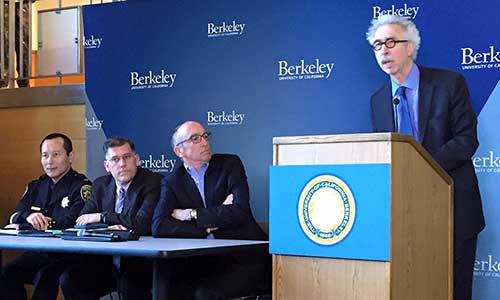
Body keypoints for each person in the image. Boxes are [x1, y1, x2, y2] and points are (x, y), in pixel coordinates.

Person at [367, 15, 485, 300]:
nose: (383, 50)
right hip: (405, 216)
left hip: (453, 208)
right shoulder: (378, 99)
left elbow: (466, 140)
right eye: (377, 44)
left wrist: (420, 166)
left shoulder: (449, 83)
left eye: (391, 42)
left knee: (454, 291)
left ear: (411, 47)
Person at [152, 120, 271, 300]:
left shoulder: (230, 164)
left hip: (243, 259)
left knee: (204, 295)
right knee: (165, 285)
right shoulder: (173, 181)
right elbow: (159, 226)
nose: (204, 142)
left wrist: (192, 214)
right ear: (179, 151)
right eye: (195, 138)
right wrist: (209, 225)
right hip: (202, 259)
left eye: (205, 136)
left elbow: (240, 211)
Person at [60, 136, 161, 300]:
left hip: (140, 260)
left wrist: (103, 217)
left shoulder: (152, 182)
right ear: (107, 166)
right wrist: (112, 228)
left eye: (127, 157)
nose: (122, 164)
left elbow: (141, 224)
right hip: (105, 259)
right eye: (115, 159)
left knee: (131, 283)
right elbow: (82, 221)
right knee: (70, 278)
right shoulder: (101, 185)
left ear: (136, 159)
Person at [0, 133, 91, 300]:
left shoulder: (82, 187)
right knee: (6, 272)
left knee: (45, 274)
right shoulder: (36, 186)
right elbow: (12, 218)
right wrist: (27, 216)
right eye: (45, 155)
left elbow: (72, 222)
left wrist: (27, 224)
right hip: (40, 252)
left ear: (70, 157)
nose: (49, 161)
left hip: (68, 255)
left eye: (56, 154)